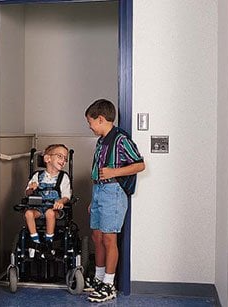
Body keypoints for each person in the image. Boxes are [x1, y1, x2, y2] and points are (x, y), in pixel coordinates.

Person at [84, 98, 145, 303]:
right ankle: (99, 278)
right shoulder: (102, 141)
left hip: (113, 192)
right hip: (99, 191)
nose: (90, 127)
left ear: (100, 119)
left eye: (90, 122)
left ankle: (109, 285)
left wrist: (114, 171)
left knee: (110, 239)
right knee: (97, 236)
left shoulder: (120, 139)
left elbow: (139, 165)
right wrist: (94, 199)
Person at [25, 144, 71, 258]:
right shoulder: (37, 176)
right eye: (60, 156)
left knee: (49, 213)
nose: (63, 160)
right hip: (38, 208)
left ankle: (48, 242)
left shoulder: (63, 177)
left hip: (55, 209)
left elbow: (66, 196)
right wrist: (31, 188)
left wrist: (61, 201)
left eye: (65, 158)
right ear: (47, 159)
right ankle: (35, 241)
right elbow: (27, 193)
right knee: (28, 213)